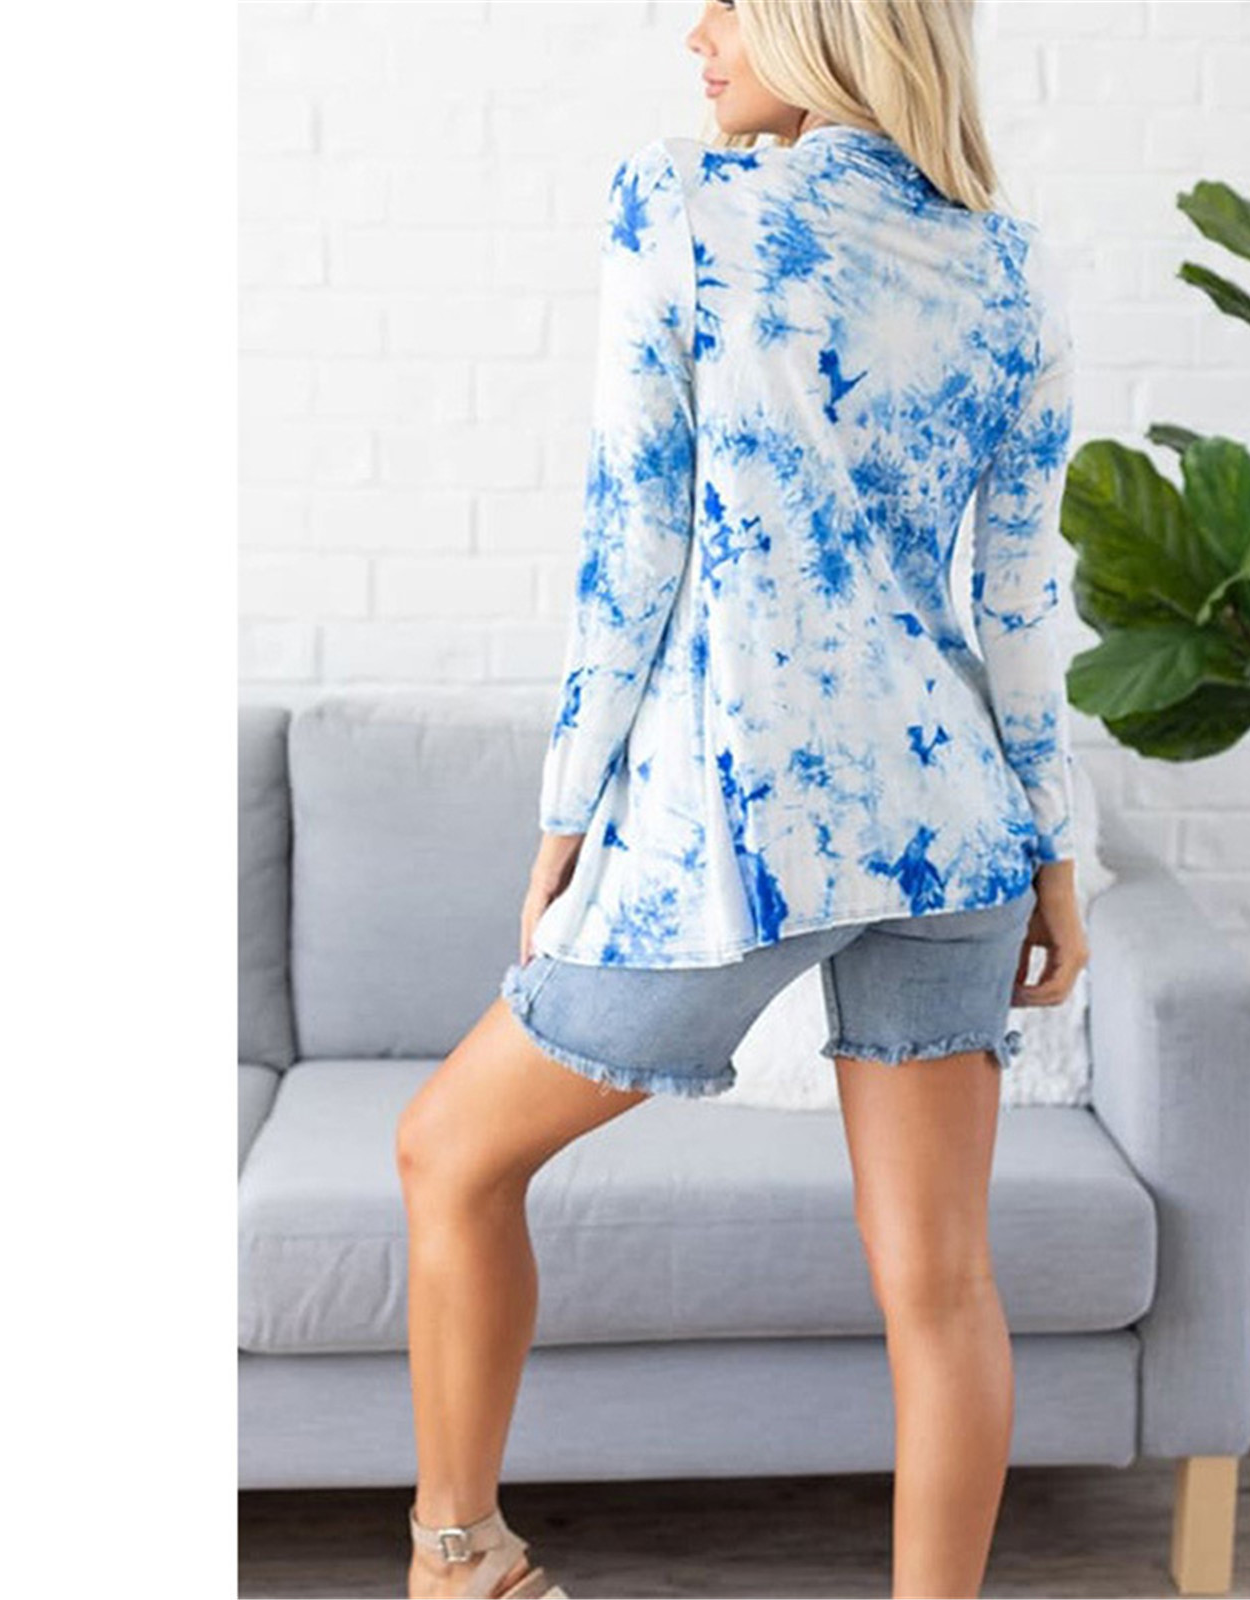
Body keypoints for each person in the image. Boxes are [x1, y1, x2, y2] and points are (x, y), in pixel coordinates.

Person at [395, 2, 1091, 1595]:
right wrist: (1053, 850)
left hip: (736, 832)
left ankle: (461, 1556)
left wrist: (567, 810)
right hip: (956, 829)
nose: (696, 31)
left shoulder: (685, 204)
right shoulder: (1010, 264)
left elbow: (631, 539)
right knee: (942, 1285)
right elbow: (1018, 599)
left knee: (447, 1151)